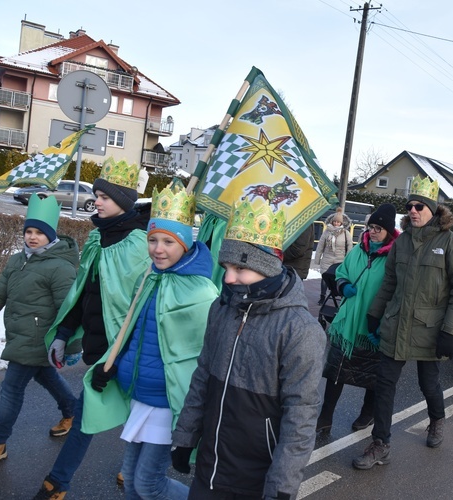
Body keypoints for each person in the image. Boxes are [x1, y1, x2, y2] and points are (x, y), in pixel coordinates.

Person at [171, 200, 325, 499]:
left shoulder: (300, 330)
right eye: (226, 267)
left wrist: (282, 485)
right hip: (209, 466)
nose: (228, 278)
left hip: (256, 478)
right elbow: (203, 374)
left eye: (240, 267)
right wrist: (186, 436)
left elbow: (301, 414)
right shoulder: (223, 307)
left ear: (266, 265)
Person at [81, 187, 218, 499]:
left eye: (169, 241)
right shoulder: (149, 278)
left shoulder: (202, 293)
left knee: (148, 483)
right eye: (153, 240)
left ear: (185, 244)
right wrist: (111, 365)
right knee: (130, 479)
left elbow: (206, 355)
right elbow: (131, 331)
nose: (158, 249)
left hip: (167, 402)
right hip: (139, 394)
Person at [35, 159, 151, 499]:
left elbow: (141, 309)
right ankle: (63, 481)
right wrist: (62, 333)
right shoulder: (98, 237)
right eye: (96, 194)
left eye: (103, 196)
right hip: (100, 348)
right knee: (90, 417)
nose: (96, 201)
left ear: (124, 201)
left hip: (128, 351)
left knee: (139, 415)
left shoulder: (141, 245)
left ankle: (68, 480)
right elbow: (84, 290)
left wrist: (119, 358)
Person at [352, 175, 453, 469]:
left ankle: (437, 420)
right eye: (410, 206)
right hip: (396, 325)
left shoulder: (450, 242)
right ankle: (381, 443)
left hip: (430, 330)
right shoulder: (402, 242)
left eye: (419, 206)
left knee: (428, 383)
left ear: (433, 210)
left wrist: (449, 331)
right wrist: (374, 313)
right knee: (384, 384)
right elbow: (390, 281)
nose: (413, 210)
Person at [0, 195, 79, 463]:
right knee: (46, 376)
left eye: (39, 233)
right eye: (28, 231)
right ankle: (73, 411)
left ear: (51, 235)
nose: (32, 237)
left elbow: (69, 310)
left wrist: (69, 345)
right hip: (19, 334)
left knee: (11, 389)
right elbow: (0, 292)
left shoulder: (60, 267)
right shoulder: (18, 260)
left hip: (38, 339)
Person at [317, 204, 400, 433]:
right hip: (348, 323)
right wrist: (343, 287)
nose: (373, 231)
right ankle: (325, 416)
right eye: (371, 227)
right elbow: (342, 272)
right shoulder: (358, 250)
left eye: (378, 228)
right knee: (336, 370)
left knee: (374, 373)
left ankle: (367, 414)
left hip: (374, 325)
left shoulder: (396, 255)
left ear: (389, 231)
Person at [314, 210, 353, 303]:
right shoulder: (327, 232)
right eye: (335, 221)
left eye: (338, 222)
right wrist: (317, 259)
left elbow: (349, 246)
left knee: (337, 279)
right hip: (327, 258)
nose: (336, 223)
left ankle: (336, 296)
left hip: (340, 260)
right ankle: (322, 296)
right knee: (324, 278)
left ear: (341, 223)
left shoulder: (345, 233)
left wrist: (348, 260)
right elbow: (320, 245)